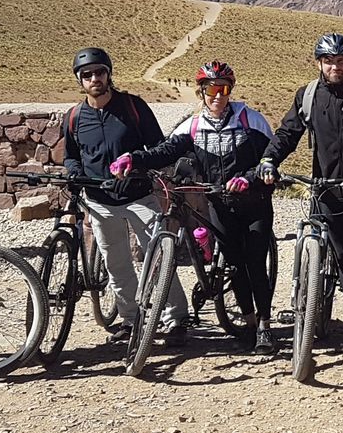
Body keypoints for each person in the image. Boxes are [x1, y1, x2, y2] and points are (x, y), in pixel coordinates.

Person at [116, 60, 278, 356]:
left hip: (254, 204)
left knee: (255, 264)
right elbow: (164, 151)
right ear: (201, 91)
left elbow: (270, 159)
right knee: (236, 266)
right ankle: (250, 325)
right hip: (218, 204)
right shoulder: (193, 126)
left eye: (224, 89)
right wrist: (134, 159)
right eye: (210, 89)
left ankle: (266, 325)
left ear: (231, 90)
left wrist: (250, 177)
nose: (218, 95)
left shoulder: (250, 120)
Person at [260, 34, 343, 368]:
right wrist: (269, 160)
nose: (334, 67)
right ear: (319, 63)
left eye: (340, 61)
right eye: (328, 61)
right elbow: (287, 134)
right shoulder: (308, 96)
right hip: (327, 188)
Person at [62, 46, 189, 347]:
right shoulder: (74, 118)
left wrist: (136, 160)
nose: (95, 78)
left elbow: (161, 148)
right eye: (87, 75)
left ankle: (176, 318)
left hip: (139, 197)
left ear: (109, 74)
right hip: (100, 202)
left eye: (100, 72)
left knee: (158, 258)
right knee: (116, 264)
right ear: (80, 81)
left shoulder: (133, 107)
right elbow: (71, 156)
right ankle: (131, 319)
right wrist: (74, 173)